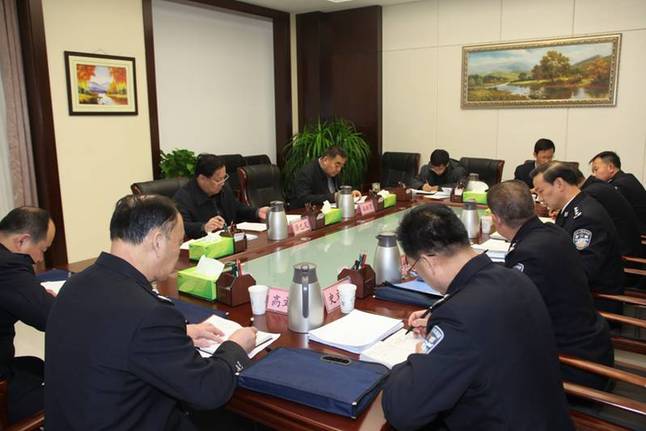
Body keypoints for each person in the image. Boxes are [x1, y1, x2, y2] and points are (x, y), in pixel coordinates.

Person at [45, 195, 257, 430]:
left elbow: (111, 335)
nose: (178, 251)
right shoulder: (150, 315)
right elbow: (207, 390)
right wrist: (235, 348)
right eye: (179, 242)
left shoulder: (74, 285)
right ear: (157, 242)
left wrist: (177, 334)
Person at [382, 204, 573, 431]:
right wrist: (439, 326)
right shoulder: (514, 278)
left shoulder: (458, 317)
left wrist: (418, 357)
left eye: (415, 268)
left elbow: (403, 411)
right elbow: (486, 330)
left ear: (428, 262)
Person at [487, 181, 613, 390]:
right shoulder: (552, 232)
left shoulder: (528, 253)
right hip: (591, 344)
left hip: (572, 364)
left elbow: (511, 313)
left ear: (496, 219)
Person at [531, 162, 624, 313]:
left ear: (559, 184)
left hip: (592, 301)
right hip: (577, 292)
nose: (540, 199)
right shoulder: (573, 207)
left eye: (541, 191)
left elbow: (582, 272)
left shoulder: (586, 218)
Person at [0, 207, 56, 423]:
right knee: (70, 395)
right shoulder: (7, 266)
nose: (40, 259)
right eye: (42, 249)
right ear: (21, 241)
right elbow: (48, 317)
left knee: (35, 366)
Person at [174, 153, 269, 239]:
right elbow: (182, 227)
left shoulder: (223, 188)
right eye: (218, 180)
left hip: (229, 240)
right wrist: (204, 227)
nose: (222, 183)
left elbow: (236, 208)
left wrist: (257, 212)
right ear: (202, 178)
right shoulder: (183, 198)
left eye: (224, 177)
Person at [576, 170, 641, 257]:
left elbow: (588, 224)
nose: (594, 172)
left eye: (596, 169)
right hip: (628, 241)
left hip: (623, 250)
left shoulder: (590, 192)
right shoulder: (598, 185)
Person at [590, 151, 646, 233]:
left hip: (638, 233)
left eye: (596, 169)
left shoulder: (619, 185)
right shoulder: (627, 178)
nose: (594, 175)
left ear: (610, 167)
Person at [288, 146, 360, 208]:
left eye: (341, 166)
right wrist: (333, 197)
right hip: (304, 214)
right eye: (337, 165)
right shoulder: (306, 172)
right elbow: (304, 199)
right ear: (325, 160)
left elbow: (340, 189)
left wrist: (350, 193)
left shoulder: (333, 171)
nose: (339, 169)